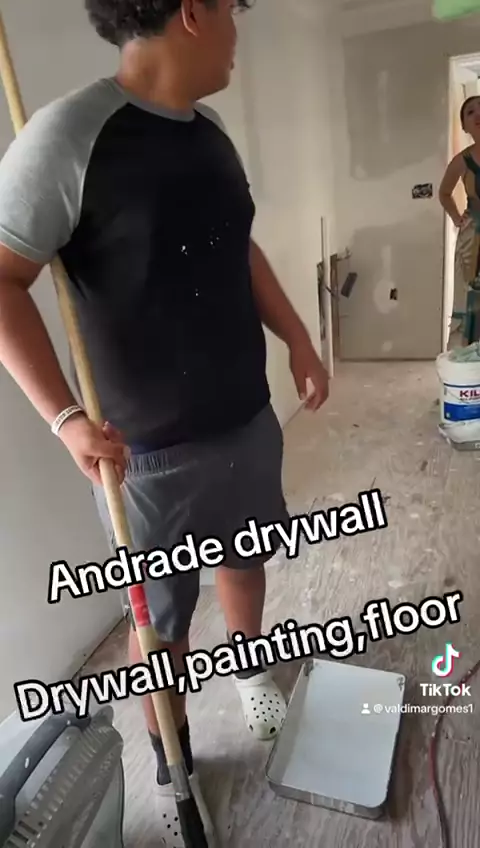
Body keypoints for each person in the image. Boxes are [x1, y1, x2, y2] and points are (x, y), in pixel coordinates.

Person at [0, 1, 329, 843]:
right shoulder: (65, 139)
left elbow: (238, 249)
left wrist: (296, 337)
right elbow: (2, 280)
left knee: (247, 557)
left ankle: (250, 673)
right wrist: (64, 418)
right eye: (231, 10)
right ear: (192, 13)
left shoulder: (209, 132)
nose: (237, 30)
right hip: (141, 457)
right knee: (162, 626)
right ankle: (172, 755)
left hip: (244, 416)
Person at [439, 94, 480, 343]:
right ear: (464, 125)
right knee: (470, 297)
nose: (478, 114)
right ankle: (469, 356)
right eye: (470, 111)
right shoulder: (461, 161)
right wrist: (457, 218)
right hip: (472, 239)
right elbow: (444, 193)